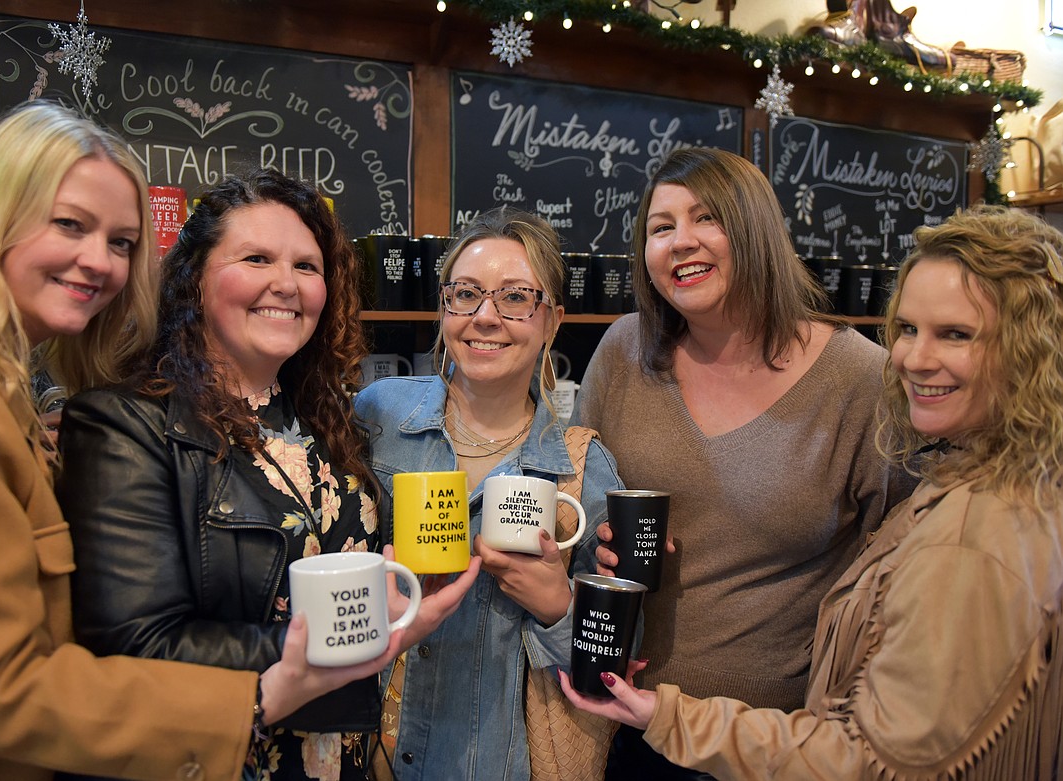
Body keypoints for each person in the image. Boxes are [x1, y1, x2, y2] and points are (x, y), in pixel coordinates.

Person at [0, 102, 405, 781]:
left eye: (122, 243)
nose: (97, 261)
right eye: (70, 225)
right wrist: (272, 687)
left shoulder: (2, 390)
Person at [562, 204, 1063, 779]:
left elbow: (872, 759)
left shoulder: (973, 536)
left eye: (956, 334)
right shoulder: (989, 485)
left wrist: (670, 717)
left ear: (1032, 348)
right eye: (906, 329)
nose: (914, 359)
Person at [54, 168, 478, 781]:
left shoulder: (331, 422)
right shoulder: (123, 424)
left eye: (307, 267)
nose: (287, 284)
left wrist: (397, 622)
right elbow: (133, 646)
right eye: (256, 258)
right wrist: (335, 641)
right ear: (194, 278)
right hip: (217, 758)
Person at [572, 147, 916, 778]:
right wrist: (594, 542)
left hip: (782, 743)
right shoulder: (624, 349)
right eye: (660, 227)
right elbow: (574, 487)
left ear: (756, 229)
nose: (680, 242)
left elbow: (901, 566)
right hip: (626, 721)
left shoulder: (861, 379)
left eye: (707, 219)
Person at [353, 206, 626, 780]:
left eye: (515, 297)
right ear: (444, 307)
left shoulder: (581, 469)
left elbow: (613, 667)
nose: (485, 317)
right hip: (362, 755)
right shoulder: (377, 415)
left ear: (551, 320)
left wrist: (557, 608)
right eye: (467, 293)